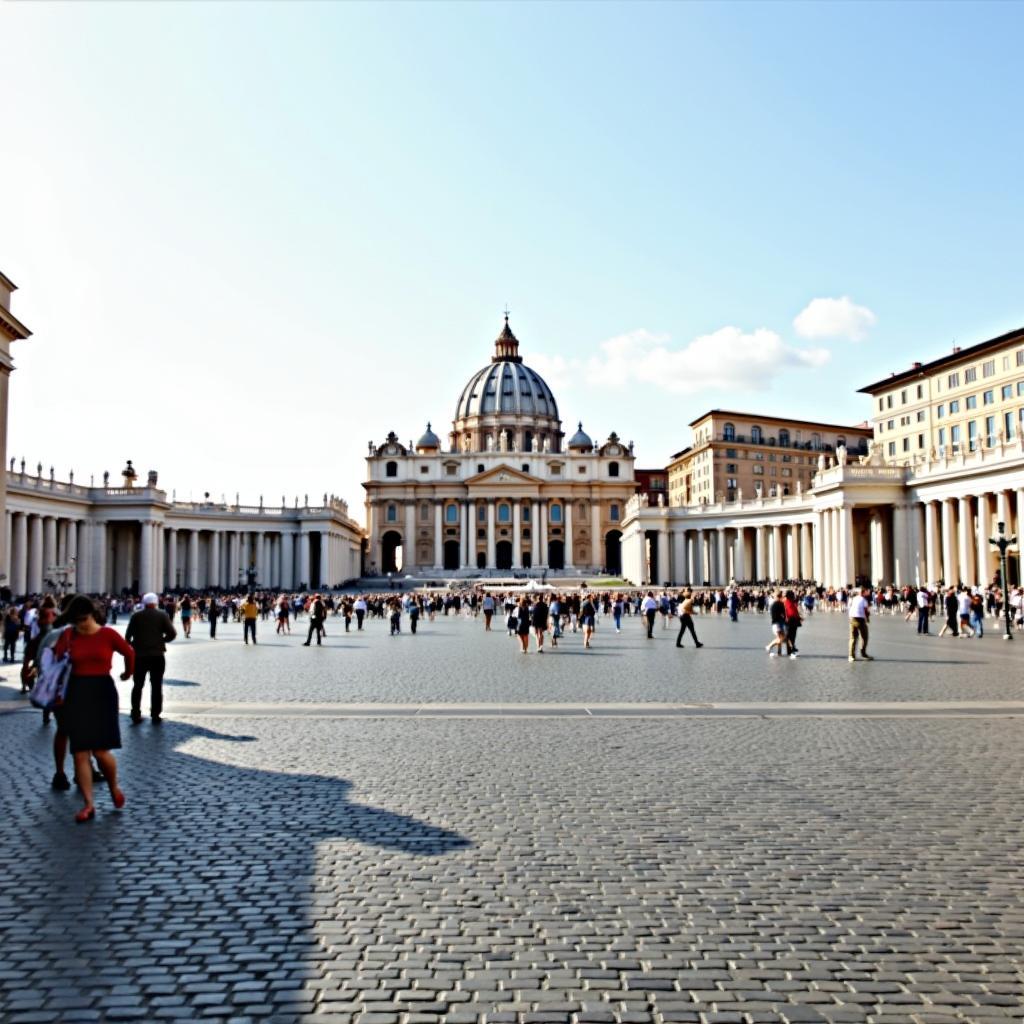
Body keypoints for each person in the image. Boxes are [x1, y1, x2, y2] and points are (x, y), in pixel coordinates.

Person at [55, 594, 135, 823]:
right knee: (80, 752)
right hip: (76, 692)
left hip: (102, 691)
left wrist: (127, 673)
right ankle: (88, 804)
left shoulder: (108, 634)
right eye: (77, 620)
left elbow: (129, 652)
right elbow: (58, 660)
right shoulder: (68, 635)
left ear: (92, 615)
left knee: (100, 751)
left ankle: (113, 787)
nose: (82, 624)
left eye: (84, 619)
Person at [125, 593, 177, 725]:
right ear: (155, 602)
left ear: (144, 602)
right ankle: (155, 714)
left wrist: (134, 645)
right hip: (157, 655)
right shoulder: (162, 615)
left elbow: (127, 637)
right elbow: (172, 633)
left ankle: (135, 713)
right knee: (156, 686)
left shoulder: (136, 615)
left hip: (140, 656)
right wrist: (162, 641)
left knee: (137, 685)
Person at [848, 586, 873, 662]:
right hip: (860, 619)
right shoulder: (864, 600)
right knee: (864, 637)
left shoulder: (854, 598)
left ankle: (851, 656)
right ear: (863, 592)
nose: (867, 593)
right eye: (866, 592)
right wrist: (867, 618)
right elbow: (865, 610)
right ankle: (863, 653)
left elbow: (849, 606)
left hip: (852, 618)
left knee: (853, 638)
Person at [766, 591, 788, 657]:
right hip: (777, 624)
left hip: (775, 623)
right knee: (781, 639)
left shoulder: (774, 604)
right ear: (780, 597)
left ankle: (779, 652)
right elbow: (784, 615)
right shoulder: (780, 604)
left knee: (780, 638)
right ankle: (769, 646)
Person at [783, 590, 802, 658]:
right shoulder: (788, 602)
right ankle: (791, 649)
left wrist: (799, 617)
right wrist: (798, 617)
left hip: (793, 620)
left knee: (792, 636)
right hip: (791, 621)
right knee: (791, 636)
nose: (794, 596)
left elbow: (795, 611)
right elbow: (791, 612)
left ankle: (791, 649)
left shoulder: (789, 602)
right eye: (793, 595)